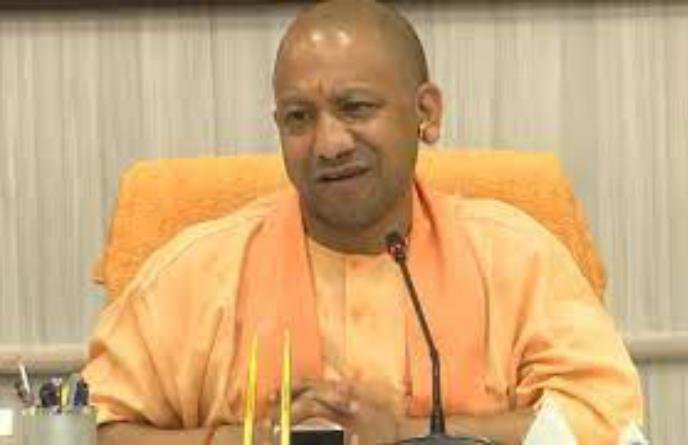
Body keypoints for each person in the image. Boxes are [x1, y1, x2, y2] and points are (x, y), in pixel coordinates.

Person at [84, 1, 643, 444]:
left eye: (355, 108)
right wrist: (250, 439)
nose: (328, 144)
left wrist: (405, 434)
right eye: (299, 117)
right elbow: (97, 429)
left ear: (426, 113)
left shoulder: (516, 260)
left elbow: (604, 423)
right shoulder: (196, 272)